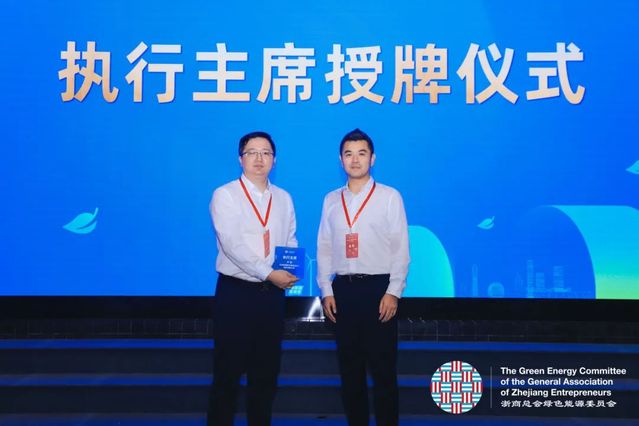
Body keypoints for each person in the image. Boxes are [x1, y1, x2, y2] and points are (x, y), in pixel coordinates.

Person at [317, 128, 410, 426]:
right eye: (348, 154)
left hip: (378, 290)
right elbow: (324, 246)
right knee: (350, 371)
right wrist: (326, 289)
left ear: (373, 158)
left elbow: (400, 248)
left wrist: (393, 291)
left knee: (383, 372)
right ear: (340, 160)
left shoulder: (389, 197)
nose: (355, 160)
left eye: (361, 153)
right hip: (343, 291)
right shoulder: (331, 199)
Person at [207, 131, 299, 426]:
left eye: (266, 153)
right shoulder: (225, 195)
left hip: (271, 298)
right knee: (227, 376)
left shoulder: (283, 198)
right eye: (252, 152)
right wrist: (269, 273)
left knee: (266, 376)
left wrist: (290, 269)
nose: (259, 158)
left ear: (274, 160)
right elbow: (232, 245)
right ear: (240, 159)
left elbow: (290, 239)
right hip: (236, 294)